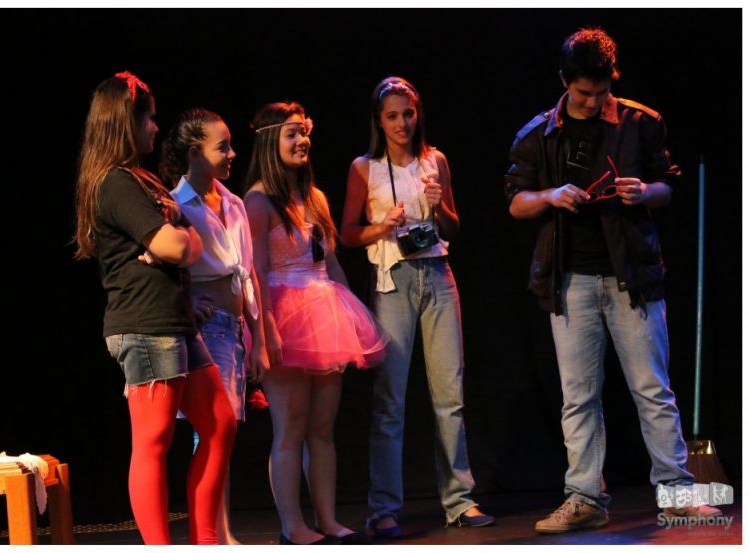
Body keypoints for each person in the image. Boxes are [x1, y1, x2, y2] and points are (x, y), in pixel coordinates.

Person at [504, 28, 723, 534]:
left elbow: (669, 186)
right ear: (565, 82)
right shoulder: (538, 133)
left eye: (601, 93)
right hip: (571, 279)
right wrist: (550, 195)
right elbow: (516, 202)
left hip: (632, 277)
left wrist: (645, 190)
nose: (592, 101)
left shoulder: (640, 123)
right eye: (583, 93)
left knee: (652, 388)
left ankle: (678, 492)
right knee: (578, 395)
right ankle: (584, 497)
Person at [73, 72, 236, 545]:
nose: (155, 128)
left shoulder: (141, 180)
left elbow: (188, 242)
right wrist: (177, 241)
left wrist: (180, 241)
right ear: (126, 122)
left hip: (175, 321)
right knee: (155, 440)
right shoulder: (115, 183)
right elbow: (174, 244)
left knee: (220, 423)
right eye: (149, 118)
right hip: (146, 324)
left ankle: (206, 540)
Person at [341, 76, 495, 537]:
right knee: (391, 401)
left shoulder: (435, 160)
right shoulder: (364, 168)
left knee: (450, 396)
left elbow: (452, 229)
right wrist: (381, 226)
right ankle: (383, 507)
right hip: (394, 283)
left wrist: (438, 205)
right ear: (379, 121)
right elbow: (347, 234)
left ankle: (459, 500)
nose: (402, 123)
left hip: (438, 278)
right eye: (392, 116)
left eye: (408, 113)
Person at [244, 101, 387, 545]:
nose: (302, 141)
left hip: (324, 310)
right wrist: (263, 334)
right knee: (291, 426)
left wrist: (352, 314)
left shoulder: (317, 198)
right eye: (292, 133)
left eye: (304, 133)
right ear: (271, 139)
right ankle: (293, 524)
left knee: (323, 429)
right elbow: (256, 272)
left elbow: (332, 264)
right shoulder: (258, 200)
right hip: (283, 314)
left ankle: (327, 518)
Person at [159, 107, 270, 544]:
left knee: (222, 435)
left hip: (235, 327)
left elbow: (246, 273)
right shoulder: (174, 204)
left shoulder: (234, 202)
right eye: (221, 146)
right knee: (211, 434)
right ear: (193, 154)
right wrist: (189, 301)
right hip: (208, 333)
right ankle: (214, 535)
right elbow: (167, 266)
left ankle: (218, 531)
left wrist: (258, 335)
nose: (231, 153)